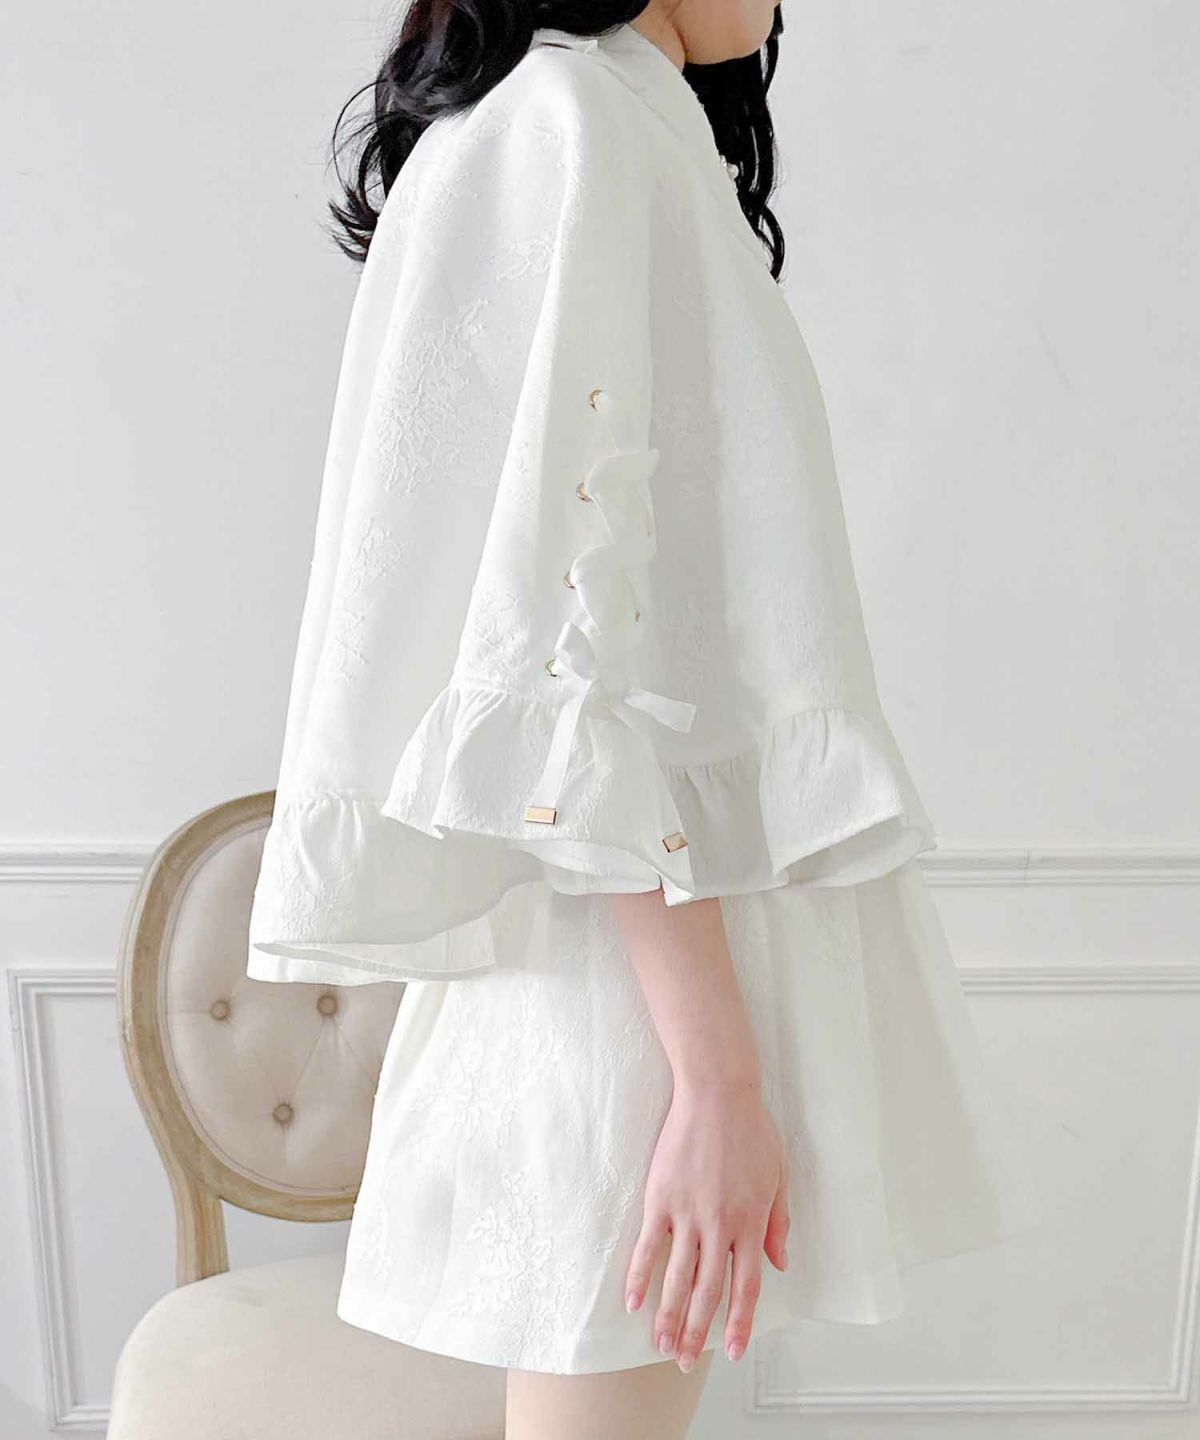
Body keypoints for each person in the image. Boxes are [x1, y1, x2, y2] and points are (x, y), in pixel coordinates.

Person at [244, 3, 1043, 1436]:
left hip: (652, 945)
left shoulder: (608, 123)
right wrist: (714, 1075)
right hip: (634, 975)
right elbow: (570, 650)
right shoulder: (574, 123)